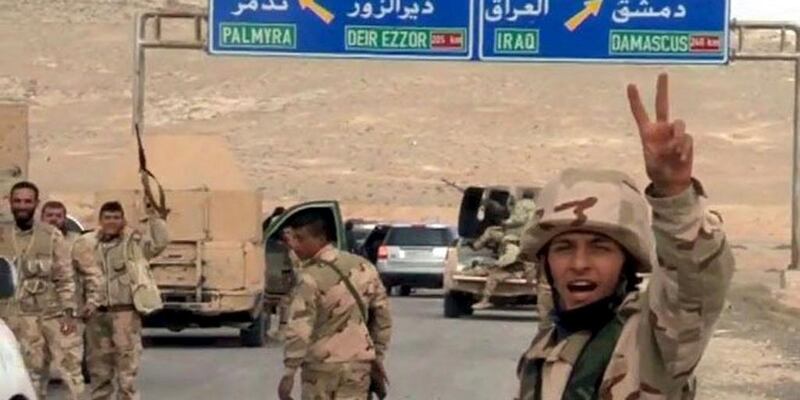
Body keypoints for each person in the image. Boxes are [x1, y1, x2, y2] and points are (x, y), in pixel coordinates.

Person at [515, 74, 735, 399]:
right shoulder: (549, 343)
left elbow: (696, 285)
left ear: (626, 261)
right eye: (563, 248)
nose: (579, 263)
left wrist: (674, 195)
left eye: (599, 248)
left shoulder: (649, 344)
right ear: (546, 261)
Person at [278, 210, 392, 400]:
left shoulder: (309, 277)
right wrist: (376, 356)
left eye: (301, 238)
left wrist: (289, 372)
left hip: (322, 368)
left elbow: (299, 329)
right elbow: (382, 316)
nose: (295, 245)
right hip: (359, 365)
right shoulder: (364, 267)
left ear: (320, 238)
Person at [0, 182, 95, 400]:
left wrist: (69, 312)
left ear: (35, 203)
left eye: (27, 201)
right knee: (29, 375)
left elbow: (64, 276)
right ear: (10, 203)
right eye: (18, 201)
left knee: (71, 371)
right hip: (17, 316)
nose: (22, 206)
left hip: (52, 314)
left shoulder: (51, 235)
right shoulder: (2, 236)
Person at [77, 200, 168, 400]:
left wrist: (155, 218)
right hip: (97, 314)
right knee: (98, 368)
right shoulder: (86, 244)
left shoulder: (134, 243)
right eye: (107, 218)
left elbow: (159, 243)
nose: (112, 222)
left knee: (127, 369)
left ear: (123, 220)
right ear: (100, 220)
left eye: (116, 217)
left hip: (125, 313)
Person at [40, 200, 102, 396]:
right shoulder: (32, 240)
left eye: (58, 215)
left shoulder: (77, 243)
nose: (53, 219)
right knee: (34, 369)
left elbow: (92, 274)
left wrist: (92, 301)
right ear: (42, 218)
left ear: (64, 218)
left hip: (66, 314)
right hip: (34, 314)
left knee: (70, 367)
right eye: (49, 215)